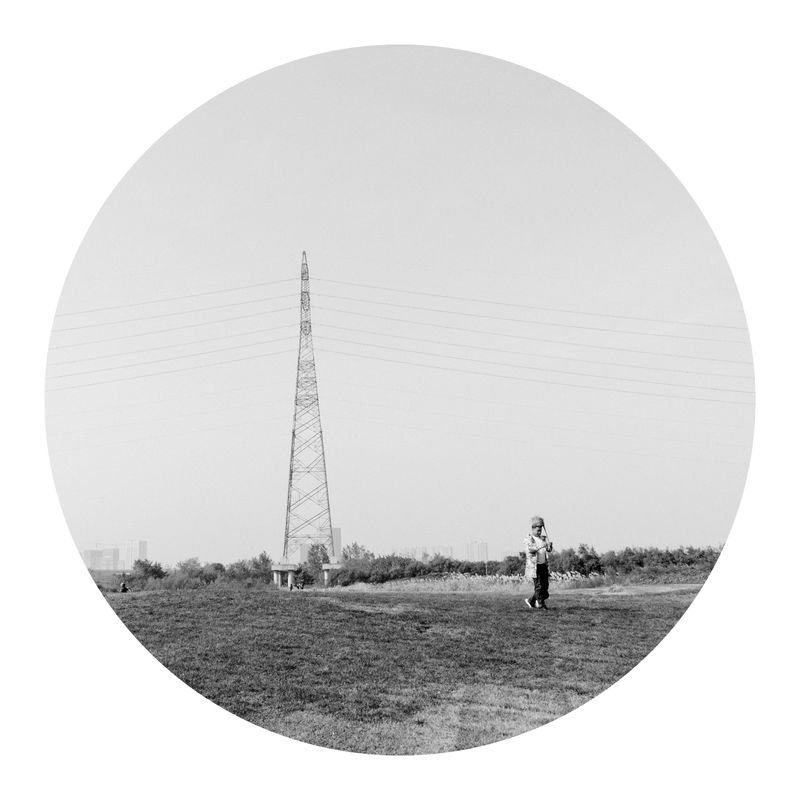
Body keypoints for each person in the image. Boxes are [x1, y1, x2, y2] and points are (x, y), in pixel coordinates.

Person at [524, 516, 553, 610]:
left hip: (543, 565)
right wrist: (541, 546)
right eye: (538, 530)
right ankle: (540, 604)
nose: (540, 532)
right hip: (534, 567)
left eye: (540, 530)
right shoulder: (529, 539)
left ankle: (531, 600)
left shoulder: (543, 539)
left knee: (545, 586)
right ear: (533, 529)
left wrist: (549, 547)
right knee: (539, 586)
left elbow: (548, 550)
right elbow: (530, 550)